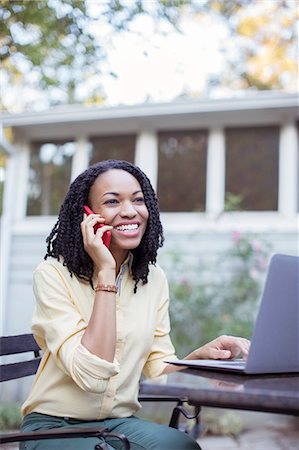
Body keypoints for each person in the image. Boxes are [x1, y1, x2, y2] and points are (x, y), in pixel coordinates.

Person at [21, 159, 250, 450]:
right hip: (52, 425)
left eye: (138, 200)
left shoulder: (152, 279)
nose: (130, 211)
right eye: (112, 201)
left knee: (182, 447)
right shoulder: (53, 274)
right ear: (88, 215)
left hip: (116, 423)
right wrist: (105, 271)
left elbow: (157, 369)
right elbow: (91, 375)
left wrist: (199, 357)